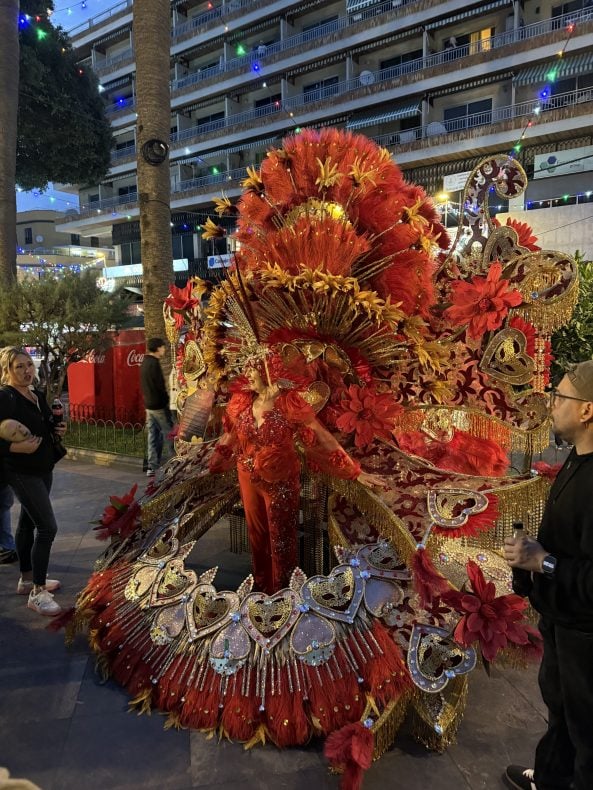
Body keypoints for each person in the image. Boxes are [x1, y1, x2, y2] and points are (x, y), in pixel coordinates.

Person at [208, 355, 384, 593]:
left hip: (280, 481)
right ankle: (261, 590)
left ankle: (283, 593)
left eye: (252, 370)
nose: (247, 375)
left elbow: (322, 439)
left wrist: (353, 471)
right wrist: (216, 461)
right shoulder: (242, 402)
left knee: (281, 539)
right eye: (246, 370)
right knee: (257, 536)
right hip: (247, 476)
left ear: (267, 371)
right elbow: (231, 436)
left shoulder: (289, 404)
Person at [503, 360, 593, 790]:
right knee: (560, 712)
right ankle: (551, 779)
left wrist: (545, 563)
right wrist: (529, 560)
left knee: (588, 733)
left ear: (587, 410)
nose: (552, 405)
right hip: (561, 621)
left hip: (586, 635)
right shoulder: (577, 460)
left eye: (560, 397)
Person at [0, 347, 65, 616]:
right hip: (21, 471)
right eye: (19, 367)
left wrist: (56, 428)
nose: (27, 371)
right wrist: (14, 449)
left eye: (29, 365)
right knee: (47, 527)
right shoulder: (5, 397)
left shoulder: (36, 395)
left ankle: (27, 579)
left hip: (43, 467)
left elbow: (43, 426)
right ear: (7, 370)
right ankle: (38, 592)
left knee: (28, 522)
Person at [140, 337, 174, 477]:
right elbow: (159, 386)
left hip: (149, 405)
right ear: (158, 348)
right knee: (169, 434)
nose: (164, 349)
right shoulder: (154, 363)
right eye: (163, 347)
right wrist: (167, 401)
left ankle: (151, 467)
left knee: (153, 436)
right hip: (159, 405)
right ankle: (175, 463)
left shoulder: (145, 362)